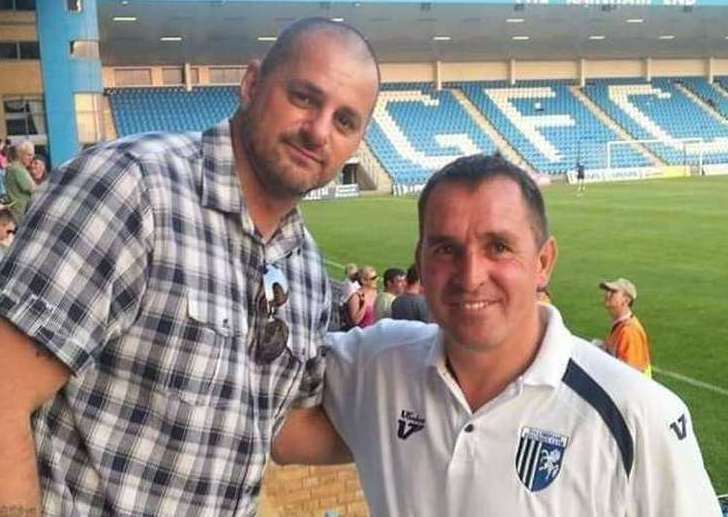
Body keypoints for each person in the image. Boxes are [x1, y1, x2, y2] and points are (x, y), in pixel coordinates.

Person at [0, 17, 380, 515]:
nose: (318, 131)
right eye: (304, 98)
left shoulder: (304, 266)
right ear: (251, 84)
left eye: (344, 121)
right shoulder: (132, 189)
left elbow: (281, 427)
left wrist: (414, 430)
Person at [273, 153, 721, 516]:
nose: (470, 276)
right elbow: (263, 417)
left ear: (543, 262)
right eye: (446, 249)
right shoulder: (376, 366)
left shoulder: (637, 415)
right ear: (421, 261)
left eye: (499, 247)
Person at [599, 277, 652, 377]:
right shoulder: (620, 325)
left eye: (613, 292)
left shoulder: (629, 331)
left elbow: (629, 375)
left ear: (626, 300)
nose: (607, 294)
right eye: (607, 291)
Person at [4, 140, 37, 223]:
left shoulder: (15, 168)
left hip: (17, 213)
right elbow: (33, 189)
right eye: (28, 155)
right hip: (20, 214)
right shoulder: (17, 169)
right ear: (20, 154)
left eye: (33, 155)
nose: (31, 158)